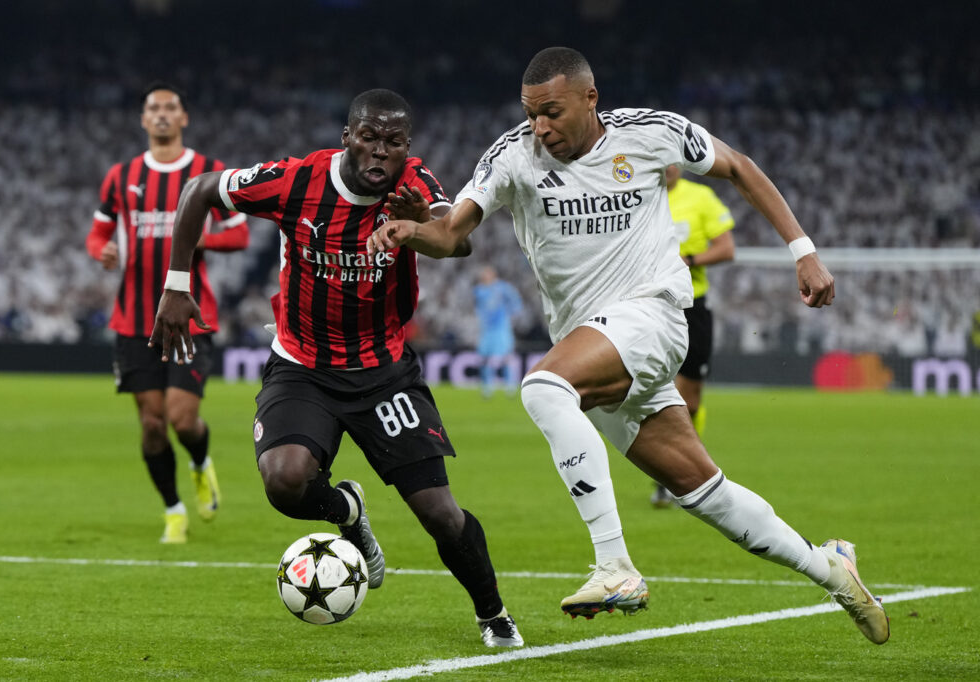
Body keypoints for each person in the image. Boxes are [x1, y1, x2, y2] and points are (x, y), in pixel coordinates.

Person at [367, 48, 888, 644]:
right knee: (704, 493)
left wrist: (804, 251)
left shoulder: (649, 133)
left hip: (653, 315)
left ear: (590, 98)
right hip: (592, 342)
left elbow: (739, 167)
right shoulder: (513, 155)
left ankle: (614, 565)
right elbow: (450, 233)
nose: (540, 126)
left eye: (552, 112)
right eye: (531, 113)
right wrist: (413, 230)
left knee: (543, 388)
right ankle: (831, 568)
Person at [149, 89, 523, 648]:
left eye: (393, 142)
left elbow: (456, 242)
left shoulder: (414, 183)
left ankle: (493, 615)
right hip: (302, 366)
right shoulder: (294, 181)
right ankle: (347, 509)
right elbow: (199, 189)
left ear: (407, 147)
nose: (380, 151)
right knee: (285, 481)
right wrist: (177, 285)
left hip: (383, 372)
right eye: (368, 137)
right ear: (348, 137)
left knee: (439, 514)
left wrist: (416, 226)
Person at [87, 82, 249, 544]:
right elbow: (97, 234)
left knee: (182, 419)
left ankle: (200, 462)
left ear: (183, 118)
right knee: (152, 424)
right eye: (153, 108)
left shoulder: (209, 171)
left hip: (188, 315)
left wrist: (202, 239)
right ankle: (174, 510)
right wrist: (101, 251)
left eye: (169, 107)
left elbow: (239, 234)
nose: (161, 114)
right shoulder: (121, 176)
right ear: (143, 119)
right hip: (133, 319)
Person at [650, 165, 736, 509]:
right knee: (652, 392)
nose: (668, 167)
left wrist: (690, 259)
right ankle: (666, 476)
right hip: (649, 305)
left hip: (691, 306)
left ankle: (683, 472)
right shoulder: (639, 194)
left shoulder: (701, 198)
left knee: (691, 399)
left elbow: (727, 249)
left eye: (673, 161)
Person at [473, 265, 523, 397]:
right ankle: (487, 386)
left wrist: (513, 315)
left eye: (488, 273)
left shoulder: (502, 288)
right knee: (484, 357)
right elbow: (478, 308)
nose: (485, 276)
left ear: (494, 275)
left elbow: (516, 301)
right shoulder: (479, 290)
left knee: (506, 357)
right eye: (484, 274)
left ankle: (510, 385)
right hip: (486, 329)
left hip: (501, 328)